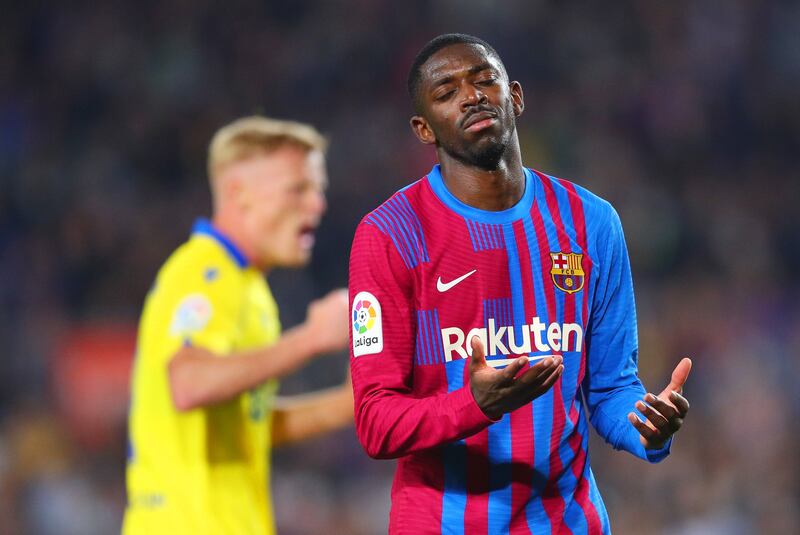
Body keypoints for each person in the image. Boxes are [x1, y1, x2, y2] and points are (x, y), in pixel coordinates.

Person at [348, 34, 692, 534]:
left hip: (566, 520)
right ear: (424, 129)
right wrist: (475, 405)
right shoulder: (389, 235)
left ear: (515, 96)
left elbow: (612, 386)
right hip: (443, 522)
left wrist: (647, 428)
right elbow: (377, 423)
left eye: (484, 79)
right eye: (447, 92)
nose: (472, 95)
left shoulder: (591, 222)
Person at [123, 116, 353, 535]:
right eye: (298, 188)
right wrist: (311, 339)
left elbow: (248, 424)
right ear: (237, 193)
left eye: (318, 189)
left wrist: (347, 404)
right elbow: (189, 383)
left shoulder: (251, 289)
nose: (317, 204)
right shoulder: (205, 271)